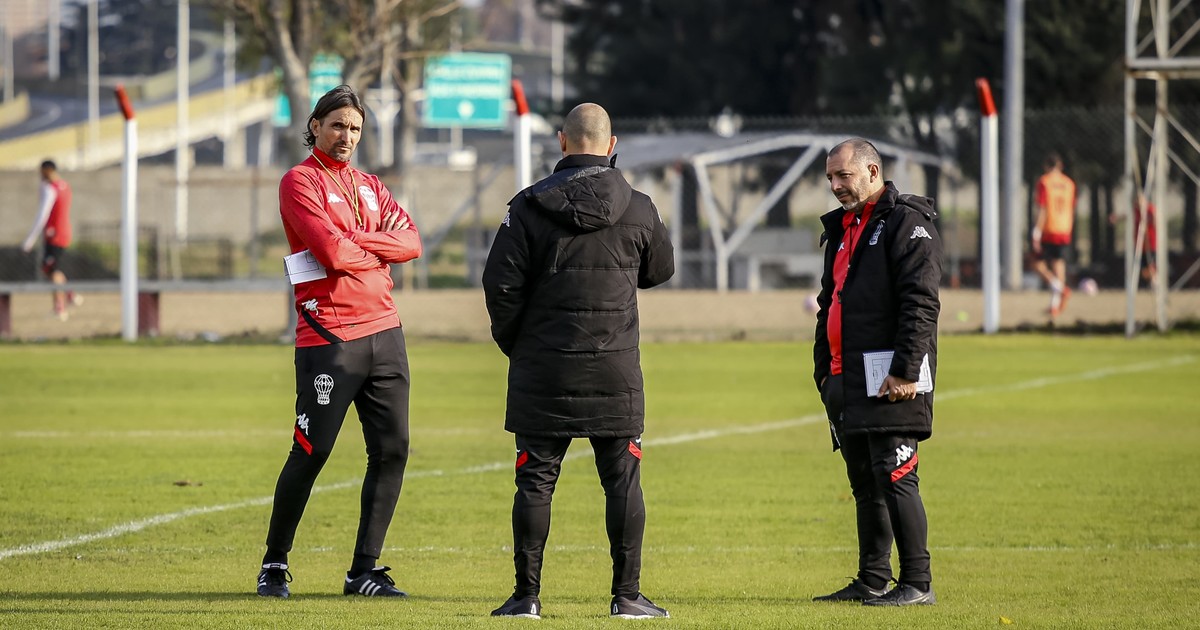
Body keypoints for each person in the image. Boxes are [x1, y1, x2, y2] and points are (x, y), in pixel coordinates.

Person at [482, 102, 675, 620]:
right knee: (623, 480)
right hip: (615, 366)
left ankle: (526, 598)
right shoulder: (639, 206)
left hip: (543, 366)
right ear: (611, 146)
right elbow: (660, 270)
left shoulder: (527, 206)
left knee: (535, 480)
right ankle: (627, 597)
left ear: (562, 142)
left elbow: (499, 285)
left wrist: (518, 344)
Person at [256, 85, 422, 599]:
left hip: (385, 332)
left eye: (354, 128)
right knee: (312, 450)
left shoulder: (371, 185)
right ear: (315, 126)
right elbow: (330, 253)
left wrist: (359, 242)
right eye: (336, 126)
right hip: (329, 335)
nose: (346, 136)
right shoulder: (299, 181)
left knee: (392, 450)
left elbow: (412, 243)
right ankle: (274, 564)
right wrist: (375, 248)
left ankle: (362, 572)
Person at [812, 138, 942, 606]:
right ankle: (872, 579)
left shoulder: (907, 223)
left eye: (843, 176)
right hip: (846, 379)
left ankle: (917, 584)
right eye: (830, 177)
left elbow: (920, 303)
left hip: (892, 379)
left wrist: (906, 370)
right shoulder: (842, 227)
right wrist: (823, 370)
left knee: (897, 475)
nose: (835, 185)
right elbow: (829, 301)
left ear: (872, 171)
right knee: (865, 482)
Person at [21, 160, 82, 321]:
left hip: (54, 234)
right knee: (50, 268)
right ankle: (70, 295)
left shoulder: (50, 189)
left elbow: (42, 215)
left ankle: (60, 307)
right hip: (64, 232)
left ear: (48, 170)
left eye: (42, 171)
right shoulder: (65, 186)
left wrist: (29, 240)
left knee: (51, 269)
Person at [1031, 153, 1077, 318]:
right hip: (1064, 229)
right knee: (1058, 264)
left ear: (1046, 166)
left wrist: (1037, 231)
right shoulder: (1069, 183)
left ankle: (1061, 289)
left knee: (1036, 264)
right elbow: (1071, 207)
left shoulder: (1044, 182)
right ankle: (1054, 305)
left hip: (1049, 228)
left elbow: (1042, 208)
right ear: (1060, 166)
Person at [1110, 193, 1158, 288]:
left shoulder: (1150, 209)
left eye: (1140, 201)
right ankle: (1154, 279)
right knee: (1142, 269)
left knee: (1151, 265)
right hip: (1139, 245)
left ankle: (1155, 281)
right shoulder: (1135, 211)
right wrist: (1116, 218)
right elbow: (1127, 215)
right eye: (1137, 201)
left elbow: (1156, 221)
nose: (1138, 203)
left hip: (1151, 243)